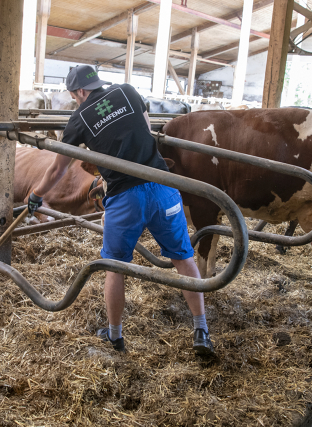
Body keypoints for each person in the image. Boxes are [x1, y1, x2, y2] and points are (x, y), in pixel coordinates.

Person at [28, 65, 215, 356]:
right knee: (183, 258)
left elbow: (57, 169)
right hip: (163, 187)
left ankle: (115, 336)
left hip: (125, 198)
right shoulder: (127, 91)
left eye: (73, 94)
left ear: (78, 92)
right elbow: (147, 128)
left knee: (114, 267)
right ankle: (201, 330)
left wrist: (36, 194)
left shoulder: (79, 118)